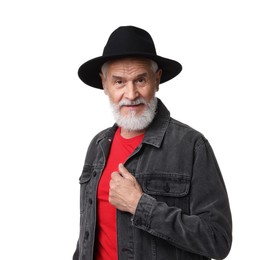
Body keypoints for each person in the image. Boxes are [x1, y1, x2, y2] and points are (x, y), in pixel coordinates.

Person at [73, 25, 232, 260]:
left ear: (157, 80)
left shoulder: (191, 146)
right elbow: (87, 237)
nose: (130, 93)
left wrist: (140, 206)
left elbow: (218, 240)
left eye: (140, 80)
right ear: (104, 84)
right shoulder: (97, 146)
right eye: (119, 82)